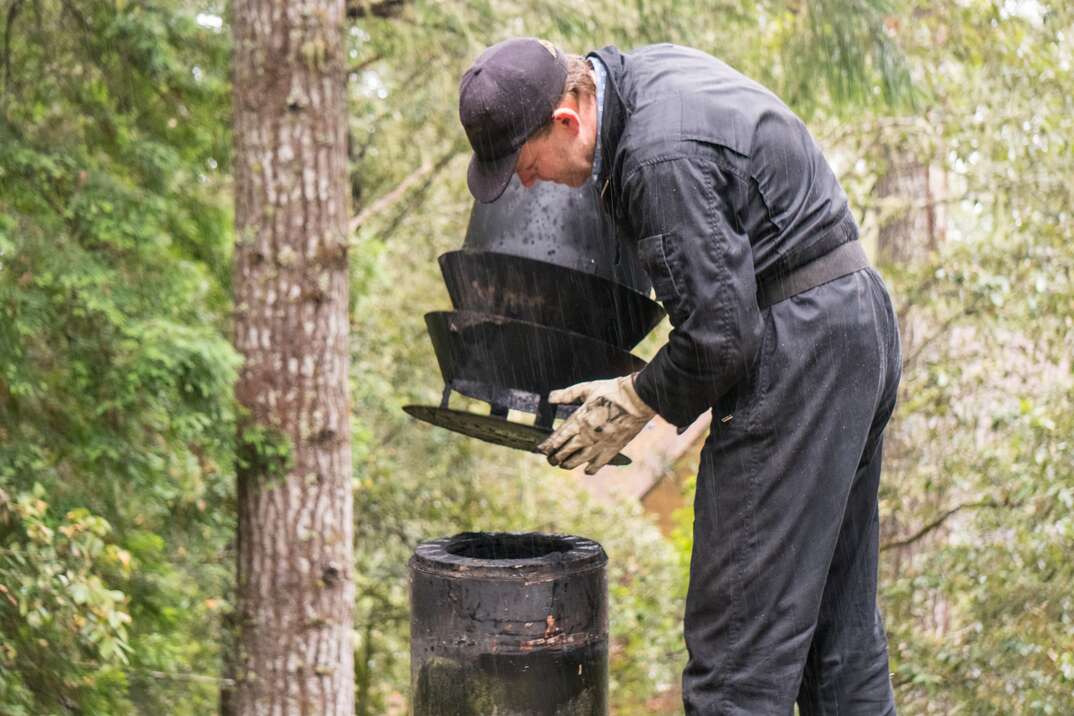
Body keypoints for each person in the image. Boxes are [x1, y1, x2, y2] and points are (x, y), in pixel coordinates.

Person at [458, 37, 901, 715]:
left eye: (525, 164)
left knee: (736, 659)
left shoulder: (655, 159)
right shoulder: (643, 82)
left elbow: (721, 337)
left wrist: (637, 396)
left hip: (801, 353)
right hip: (851, 324)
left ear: (568, 120)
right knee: (838, 640)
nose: (528, 183)